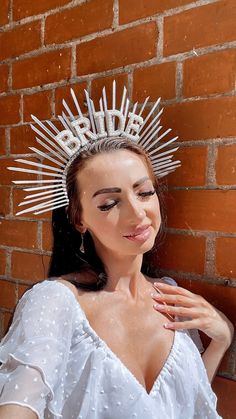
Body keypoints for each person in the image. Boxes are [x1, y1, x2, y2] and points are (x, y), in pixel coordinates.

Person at [0, 86, 234, 418]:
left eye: (145, 192)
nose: (137, 214)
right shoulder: (56, 302)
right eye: (110, 203)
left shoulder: (172, 298)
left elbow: (183, 405)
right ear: (79, 218)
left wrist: (221, 339)